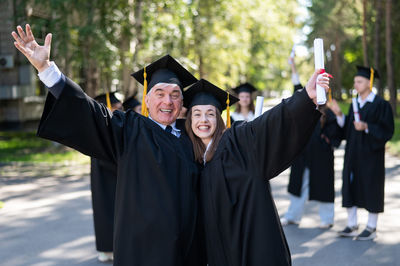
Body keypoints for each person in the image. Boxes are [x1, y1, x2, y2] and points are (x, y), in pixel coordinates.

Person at [12, 25, 206, 265]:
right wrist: (46, 69)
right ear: (146, 98)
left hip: (190, 250)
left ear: (182, 101)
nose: (168, 101)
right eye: (160, 93)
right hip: (142, 251)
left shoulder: (193, 136)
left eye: (175, 94)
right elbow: (88, 111)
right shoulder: (129, 130)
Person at [183, 72, 330, 266]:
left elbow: (269, 124)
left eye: (210, 113)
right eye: (197, 114)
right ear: (189, 120)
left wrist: (304, 97)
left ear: (219, 118)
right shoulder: (192, 160)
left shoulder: (237, 141)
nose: (204, 120)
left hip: (255, 247)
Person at [330, 66, 394, 240]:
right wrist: (338, 114)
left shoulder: (381, 104)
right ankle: (352, 224)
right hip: (353, 153)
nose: (355, 84)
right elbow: (347, 130)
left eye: (359, 81)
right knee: (350, 185)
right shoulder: (355, 103)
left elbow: (387, 130)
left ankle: (372, 226)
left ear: (369, 82)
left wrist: (367, 127)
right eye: (355, 82)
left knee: (371, 186)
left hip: (371, 155)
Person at [280, 61, 342, 229]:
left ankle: (327, 218)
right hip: (302, 152)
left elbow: (338, 132)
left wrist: (339, 115)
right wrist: (292, 65)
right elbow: (296, 85)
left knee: (324, 185)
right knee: (298, 184)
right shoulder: (303, 105)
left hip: (321, 155)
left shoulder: (329, 111)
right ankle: (293, 215)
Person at [91, 92, 122, 262]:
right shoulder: (102, 126)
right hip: (105, 176)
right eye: (115, 106)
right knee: (105, 213)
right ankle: (106, 249)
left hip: (112, 176)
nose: (118, 109)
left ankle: (110, 248)